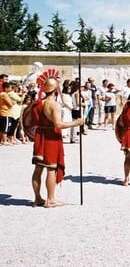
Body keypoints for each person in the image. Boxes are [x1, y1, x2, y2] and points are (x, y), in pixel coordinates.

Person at [30, 70, 84, 207]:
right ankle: (51, 199)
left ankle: (37, 198)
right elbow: (58, 124)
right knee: (51, 168)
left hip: (39, 136)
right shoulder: (53, 104)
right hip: (50, 138)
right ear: (55, 89)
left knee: (38, 169)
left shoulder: (37, 103)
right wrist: (76, 123)